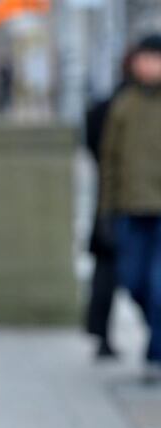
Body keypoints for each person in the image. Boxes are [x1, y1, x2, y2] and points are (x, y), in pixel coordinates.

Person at [99, 34, 161, 383]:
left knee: (159, 286)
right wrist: (105, 211)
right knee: (133, 281)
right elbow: (109, 161)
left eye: (155, 58)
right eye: (144, 58)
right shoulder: (124, 104)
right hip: (130, 209)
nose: (148, 65)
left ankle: (156, 353)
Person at [84, 48, 138, 359]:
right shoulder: (115, 106)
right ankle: (101, 334)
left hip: (122, 203)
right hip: (115, 203)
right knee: (110, 272)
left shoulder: (108, 105)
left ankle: (102, 334)